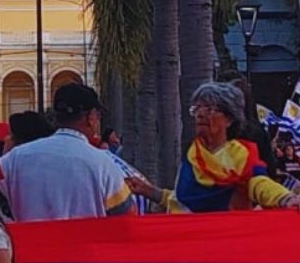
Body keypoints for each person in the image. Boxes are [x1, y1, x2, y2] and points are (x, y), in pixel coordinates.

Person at [127, 82, 300, 213]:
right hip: (185, 243)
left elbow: (260, 184)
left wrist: (285, 198)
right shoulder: (192, 155)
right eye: (197, 108)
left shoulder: (239, 155)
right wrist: (149, 191)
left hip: (221, 245)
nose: (200, 114)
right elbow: (182, 201)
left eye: (210, 109)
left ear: (229, 119)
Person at [0, 83, 136, 221]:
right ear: (91, 117)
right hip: (86, 245)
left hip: (30, 245)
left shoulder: (15, 158)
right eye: (98, 116)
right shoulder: (104, 164)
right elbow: (128, 216)